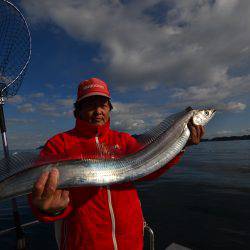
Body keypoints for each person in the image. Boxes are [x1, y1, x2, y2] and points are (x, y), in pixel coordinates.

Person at [29, 77, 205, 250]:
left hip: (132, 243)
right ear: (78, 110)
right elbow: (38, 194)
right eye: (91, 104)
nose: (98, 110)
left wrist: (180, 145)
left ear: (109, 108)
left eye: (103, 104)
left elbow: (150, 168)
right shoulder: (59, 144)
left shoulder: (125, 140)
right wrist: (50, 210)